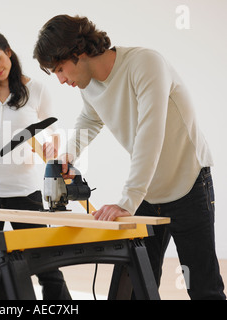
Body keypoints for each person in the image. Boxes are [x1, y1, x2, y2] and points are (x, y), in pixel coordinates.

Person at [33, 14, 225, 300]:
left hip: (189, 184)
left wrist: (127, 201)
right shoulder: (89, 86)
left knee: (203, 288)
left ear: (78, 52)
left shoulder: (145, 63)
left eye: (60, 69)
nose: (61, 80)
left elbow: (150, 133)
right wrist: (68, 155)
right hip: (148, 191)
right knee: (132, 287)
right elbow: (90, 118)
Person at [0, 29, 71, 300]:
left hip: (24, 191)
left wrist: (53, 145)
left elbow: (53, 130)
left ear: (9, 52)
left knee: (45, 264)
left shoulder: (37, 89)